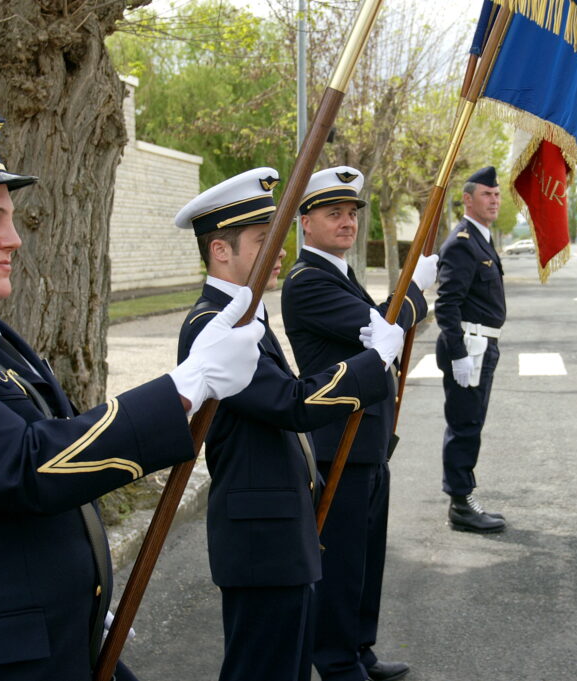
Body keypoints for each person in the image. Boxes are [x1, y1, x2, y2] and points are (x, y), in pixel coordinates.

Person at [0, 102, 265, 681]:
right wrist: (189, 384)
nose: (14, 238)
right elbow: (26, 467)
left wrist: (80, 602)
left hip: (51, 646)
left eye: (10, 218)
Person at [174, 167, 406, 681]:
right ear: (220, 251)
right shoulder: (213, 325)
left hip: (279, 525)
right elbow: (291, 404)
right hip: (259, 533)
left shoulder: (242, 314)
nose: (279, 250)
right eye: (264, 239)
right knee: (262, 668)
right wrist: (371, 365)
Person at [280, 166, 435, 681]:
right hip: (336, 440)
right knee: (341, 562)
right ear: (306, 222)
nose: (347, 223)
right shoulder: (306, 281)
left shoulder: (339, 273)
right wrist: (413, 290)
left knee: (366, 558)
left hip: (365, 437)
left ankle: (359, 650)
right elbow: (381, 332)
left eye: (351, 214)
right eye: (333, 213)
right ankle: (338, 663)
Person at [435, 166, 508, 533]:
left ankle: (463, 497)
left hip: (482, 345)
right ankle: (461, 504)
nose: (494, 200)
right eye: (486, 194)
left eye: (496, 195)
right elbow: (446, 304)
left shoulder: (481, 239)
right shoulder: (462, 243)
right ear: (467, 199)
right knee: (464, 425)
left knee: (472, 423)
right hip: (469, 346)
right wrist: (459, 355)